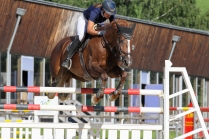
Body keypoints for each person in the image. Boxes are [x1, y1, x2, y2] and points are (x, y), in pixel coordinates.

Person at [62, 0, 116, 69]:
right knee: (81, 37)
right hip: (85, 20)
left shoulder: (111, 13)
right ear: (103, 10)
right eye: (108, 13)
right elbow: (89, 30)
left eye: (111, 14)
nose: (109, 15)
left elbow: (113, 27)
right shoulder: (95, 12)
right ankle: (67, 58)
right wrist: (98, 32)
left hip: (97, 22)